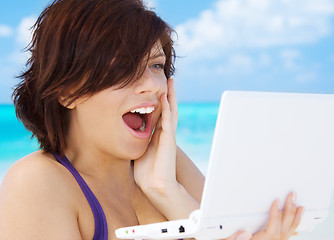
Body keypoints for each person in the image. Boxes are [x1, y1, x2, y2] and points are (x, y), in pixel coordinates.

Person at [0, 0, 304, 239]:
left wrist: (167, 191)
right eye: (124, 66)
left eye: (157, 65)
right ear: (67, 91)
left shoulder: (167, 165)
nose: (154, 85)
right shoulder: (38, 183)